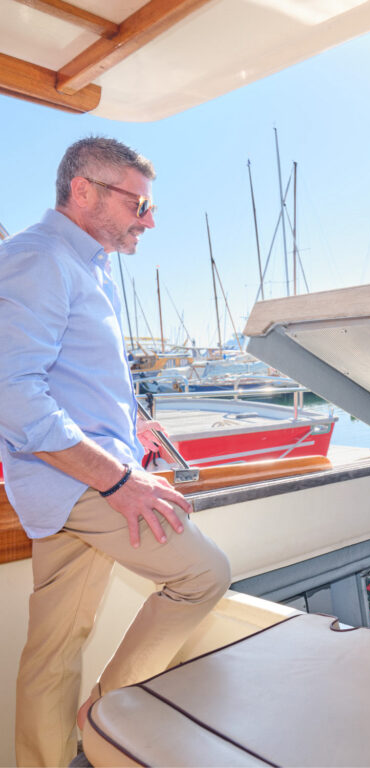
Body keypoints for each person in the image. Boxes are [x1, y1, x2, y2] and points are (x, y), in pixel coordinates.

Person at [0, 137, 230, 767]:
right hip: (83, 485)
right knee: (203, 575)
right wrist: (115, 480)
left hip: (68, 482)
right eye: (140, 203)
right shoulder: (39, 258)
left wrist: (132, 426)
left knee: (53, 648)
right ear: (84, 190)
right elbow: (13, 395)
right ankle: (106, 716)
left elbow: (73, 376)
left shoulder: (86, 263)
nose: (149, 219)